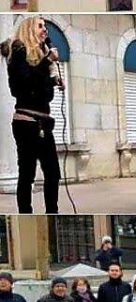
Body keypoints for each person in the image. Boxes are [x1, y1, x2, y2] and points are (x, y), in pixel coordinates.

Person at [1, 16, 62, 214]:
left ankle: (52, 211)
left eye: (45, 26)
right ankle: (25, 212)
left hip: (44, 123)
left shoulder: (42, 54)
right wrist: (47, 63)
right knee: (27, 174)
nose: (45, 30)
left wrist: (53, 81)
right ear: (29, 28)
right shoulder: (19, 51)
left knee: (53, 174)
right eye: (40, 26)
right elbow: (24, 85)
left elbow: (43, 93)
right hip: (26, 123)